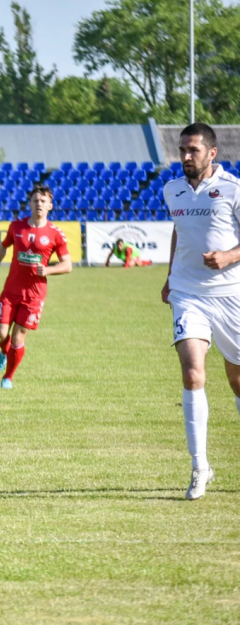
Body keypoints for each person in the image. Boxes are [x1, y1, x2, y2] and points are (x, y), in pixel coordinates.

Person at [161, 123, 240, 500]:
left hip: (231, 295)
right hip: (187, 292)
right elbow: (180, 229)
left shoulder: (233, 189)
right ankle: (199, 466)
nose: (186, 156)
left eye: (193, 150)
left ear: (212, 153)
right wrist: (169, 277)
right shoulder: (171, 189)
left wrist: (229, 256)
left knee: (237, 380)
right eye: (182, 150)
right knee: (193, 371)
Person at [0, 185, 72, 389]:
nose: (39, 204)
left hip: (34, 296)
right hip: (10, 291)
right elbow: (4, 246)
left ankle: (8, 378)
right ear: (30, 204)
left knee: (18, 337)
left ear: (50, 205)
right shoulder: (16, 226)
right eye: (36, 200)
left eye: (43, 201)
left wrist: (48, 270)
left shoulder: (56, 234)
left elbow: (67, 265)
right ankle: (4, 350)